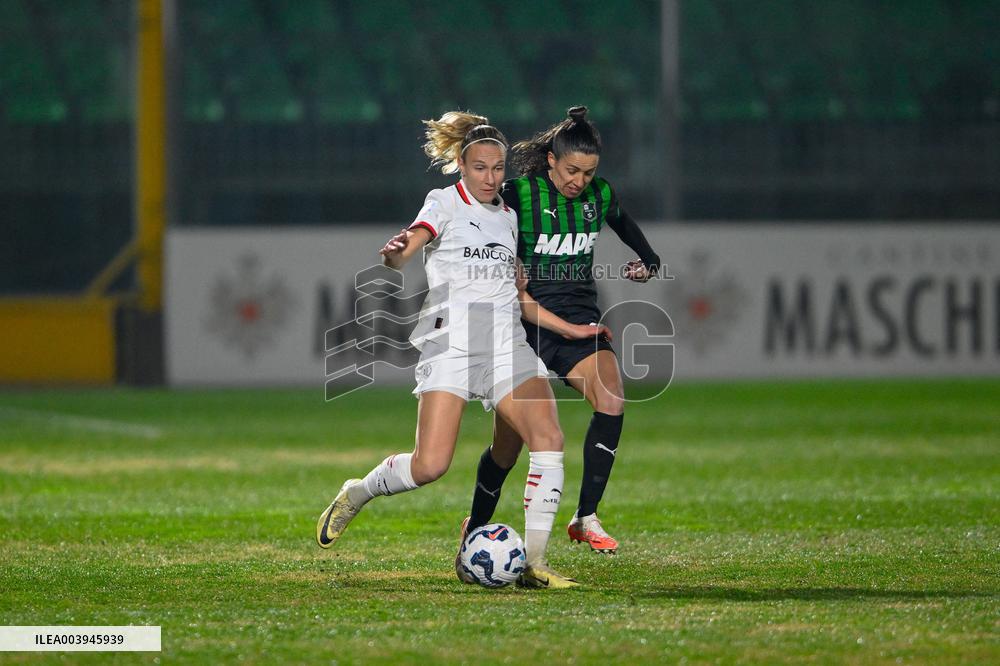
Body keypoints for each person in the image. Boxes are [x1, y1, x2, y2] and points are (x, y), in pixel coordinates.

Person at [315, 110, 610, 589]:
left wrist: (572, 331)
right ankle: (358, 491)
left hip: (506, 343)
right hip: (451, 341)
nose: (491, 177)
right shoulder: (443, 202)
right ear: (461, 164)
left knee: (549, 440)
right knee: (429, 465)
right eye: (480, 168)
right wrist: (395, 253)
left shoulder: (510, 218)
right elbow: (413, 241)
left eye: (498, 168)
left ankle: (534, 564)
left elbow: (519, 298)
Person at [461, 106, 662, 556]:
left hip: (578, 321)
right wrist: (500, 260)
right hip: (521, 324)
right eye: (572, 170)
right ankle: (475, 526)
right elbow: (477, 218)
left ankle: (585, 516)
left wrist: (649, 261)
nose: (580, 181)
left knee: (611, 399)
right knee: (507, 449)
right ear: (551, 159)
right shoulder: (518, 193)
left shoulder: (599, 197)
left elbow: (624, 222)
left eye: (589, 173)